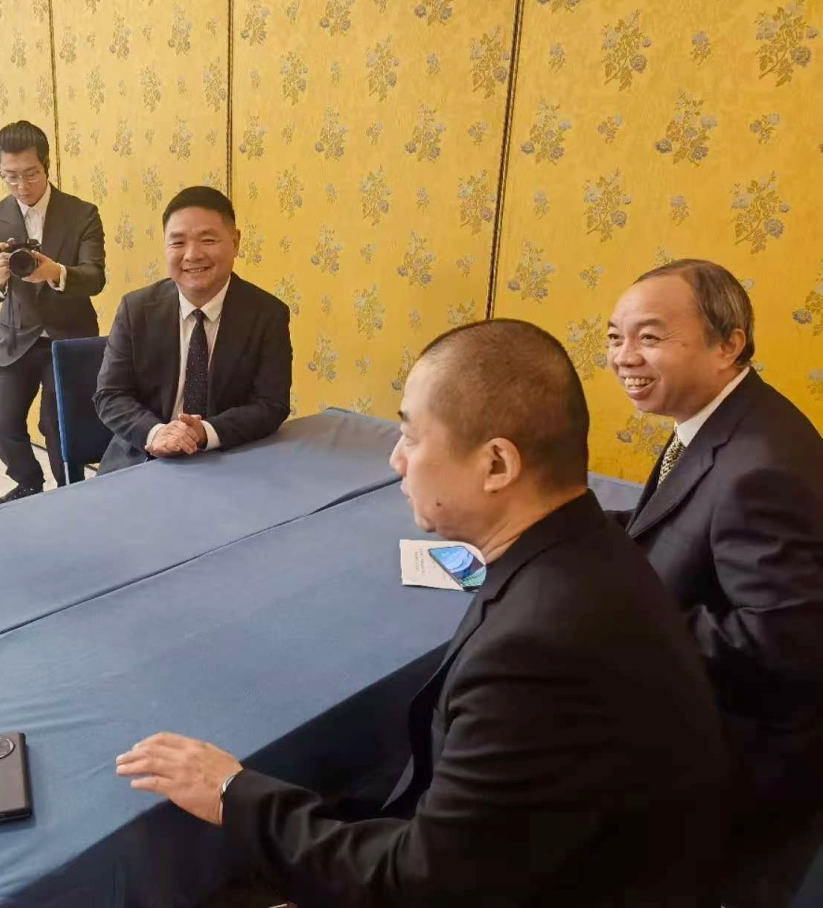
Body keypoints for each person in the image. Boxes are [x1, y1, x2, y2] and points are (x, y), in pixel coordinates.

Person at [117, 320, 725, 907]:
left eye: (411, 436)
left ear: (497, 465)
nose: (396, 461)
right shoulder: (590, 545)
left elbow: (418, 884)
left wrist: (232, 793)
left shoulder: (540, 648)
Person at [607, 259, 823, 907]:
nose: (624, 357)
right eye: (615, 337)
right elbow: (677, 520)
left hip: (734, 758)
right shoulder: (726, 417)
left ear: (729, 344)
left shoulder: (761, 464)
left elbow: (783, 644)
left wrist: (620, 623)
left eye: (649, 337)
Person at [93, 186, 292, 474]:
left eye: (208, 240)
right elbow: (110, 395)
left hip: (228, 459)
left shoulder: (267, 314)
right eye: (177, 242)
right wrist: (157, 433)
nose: (192, 255)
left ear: (235, 242)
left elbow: (270, 404)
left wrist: (204, 432)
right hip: (142, 458)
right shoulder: (136, 309)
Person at [0, 120, 106, 505]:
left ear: (47, 165)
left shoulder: (82, 214)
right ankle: (28, 483)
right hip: (16, 336)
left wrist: (56, 272)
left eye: (30, 174)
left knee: (58, 425)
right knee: (2, 424)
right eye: (10, 176)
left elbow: (95, 277)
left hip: (68, 336)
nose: (21, 185)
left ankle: (71, 495)